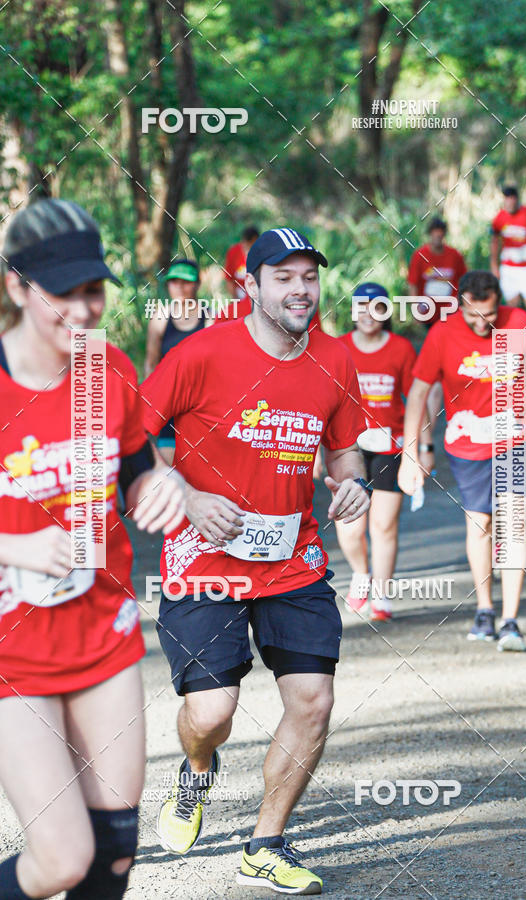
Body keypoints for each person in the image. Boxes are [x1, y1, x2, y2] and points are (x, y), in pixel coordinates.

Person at [141, 227, 369, 894]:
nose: (300, 289)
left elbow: (345, 449)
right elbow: (133, 435)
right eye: (284, 277)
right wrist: (183, 490)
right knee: (211, 713)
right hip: (203, 557)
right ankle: (196, 773)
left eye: (309, 277)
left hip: (292, 558)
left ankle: (265, 844)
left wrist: (353, 481)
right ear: (250, 285)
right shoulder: (200, 353)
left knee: (313, 701)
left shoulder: (335, 358)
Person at [0, 198, 185, 900]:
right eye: (63, 295)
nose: (83, 311)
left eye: (94, 292)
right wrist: (14, 546)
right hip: (12, 650)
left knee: (112, 853)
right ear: (17, 288)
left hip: (101, 630)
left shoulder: (105, 368)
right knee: (62, 859)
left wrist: (160, 491)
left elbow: (137, 468)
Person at [398, 270, 526, 652]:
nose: (481, 324)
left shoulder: (515, 322)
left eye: (488, 315)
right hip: (468, 444)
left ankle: (509, 620)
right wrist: (412, 453)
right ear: (460, 305)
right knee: (481, 524)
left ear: (498, 304)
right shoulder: (443, 333)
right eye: (472, 316)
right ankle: (485, 608)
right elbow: (420, 391)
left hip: (515, 438)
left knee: (511, 525)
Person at [336, 282, 424, 621]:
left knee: (384, 525)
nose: (369, 314)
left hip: (390, 443)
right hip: (348, 446)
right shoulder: (338, 348)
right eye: (361, 306)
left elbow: (417, 399)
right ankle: (361, 574)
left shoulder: (401, 349)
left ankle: (382, 593)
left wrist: (420, 450)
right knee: (351, 525)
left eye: (377, 307)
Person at [407, 217, 466, 437]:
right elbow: (413, 282)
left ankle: (448, 378)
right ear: (429, 234)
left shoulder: (454, 256)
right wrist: (414, 307)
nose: (438, 236)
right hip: (429, 312)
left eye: (441, 232)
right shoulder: (420, 255)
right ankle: (435, 377)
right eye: (434, 232)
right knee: (433, 347)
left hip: (450, 311)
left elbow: (462, 282)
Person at [144, 258, 205, 464]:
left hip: (200, 408)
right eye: (174, 282)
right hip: (168, 405)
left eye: (185, 282)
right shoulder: (160, 318)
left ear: (197, 284)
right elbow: (151, 363)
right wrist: (150, 406)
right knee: (168, 470)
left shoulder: (211, 319)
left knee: (199, 472)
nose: (179, 288)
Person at [490, 185, 526, 319]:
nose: (509, 202)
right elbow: (495, 241)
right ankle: (516, 336)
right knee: (512, 305)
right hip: (509, 267)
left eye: (511, 198)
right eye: (506, 199)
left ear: (516, 199)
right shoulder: (500, 217)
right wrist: (494, 265)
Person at [221, 225, 259, 319]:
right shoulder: (234, 252)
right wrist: (236, 300)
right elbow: (229, 279)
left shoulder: (260, 252)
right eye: (248, 244)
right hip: (239, 296)